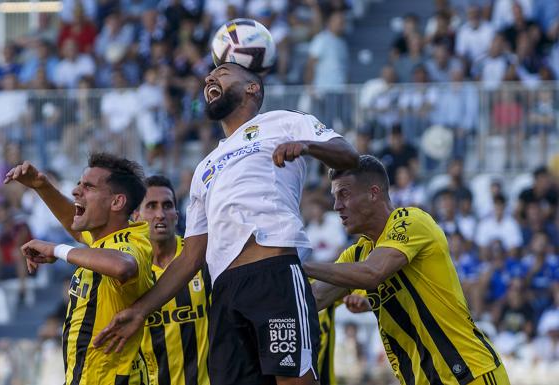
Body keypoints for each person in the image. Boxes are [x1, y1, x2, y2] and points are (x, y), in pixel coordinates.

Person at [94, 62, 359, 385]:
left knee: (294, 380)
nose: (209, 78)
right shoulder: (204, 168)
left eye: (222, 73)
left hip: (273, 276)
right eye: (209, 76)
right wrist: (140, 310)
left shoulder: (283, 121)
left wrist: (307, 146)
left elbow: (348, 155)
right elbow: (190, 257)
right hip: (225, 293)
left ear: (252, 88)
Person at [305, 155, 510, 385]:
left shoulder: (410, 220)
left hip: (469, 374)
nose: (336, 206)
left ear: (373, 192)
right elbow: (313, 298)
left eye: (344, 194)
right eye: (334, 197)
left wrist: (300, 265)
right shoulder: (357, 253)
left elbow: (373, 273)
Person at [4, 154, 154, 384]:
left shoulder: (131, 242)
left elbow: (122, 266)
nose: (76, 191)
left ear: (116, 202)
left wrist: (56, 249)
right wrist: (41, 186)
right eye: (78, 184)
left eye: (88, 187)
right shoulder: (101, 242)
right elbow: (73, 224)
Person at [133, 175, 211, 385]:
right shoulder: (130, 269)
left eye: (167, 206)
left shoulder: (202, 257)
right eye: (151, 206)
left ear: (177, 214)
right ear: (136, 216)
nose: (160, 214)